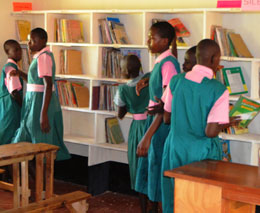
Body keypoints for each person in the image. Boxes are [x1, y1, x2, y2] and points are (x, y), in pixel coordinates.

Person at [160, 39, 240, 213]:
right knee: (201, 200)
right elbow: (210, 132)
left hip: (176, 147)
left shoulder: (176, 81)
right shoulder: (218, 89)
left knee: (176, 196)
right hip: (202, 152)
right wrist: (225, 123)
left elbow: (166, 117)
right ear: (214, 59)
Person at [136, 21, 180, 213]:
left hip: (159, 126)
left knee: (158, 171)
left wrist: (148, 136)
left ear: (165, 41)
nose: (148, 41)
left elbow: (166, 105)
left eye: (152, 38)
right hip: (154, 122)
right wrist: (148, 79)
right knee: (151, 171)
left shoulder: (169, 63)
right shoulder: (162, 61)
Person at [12, 28, 70, 161]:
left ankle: (43, 176)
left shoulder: (44, 57)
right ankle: (35, 175)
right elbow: (35, 82)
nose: (29, 43)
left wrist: (43, 114)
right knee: (31, 136)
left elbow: (48, 85)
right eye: (29, 40)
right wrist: (20, 73)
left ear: (43, 41)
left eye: (32, 41)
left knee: (40, 139)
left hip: (40, 103)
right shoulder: (40, 56)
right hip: (34, 101)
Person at [114, 55, 150, 211]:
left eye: (121, 68)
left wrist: (126, 106)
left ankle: (143, 207)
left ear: (126, 71)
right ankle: (155, 206)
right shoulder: (150, 78)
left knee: (138, 166)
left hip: (138, 129)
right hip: (153, 125)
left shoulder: (123, 89)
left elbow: (121, 113)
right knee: (152, 166)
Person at [0, 40, 23, 145]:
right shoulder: (10, 67)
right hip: (10, 105)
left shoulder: (14, 67)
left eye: (20, 49)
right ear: (8, 52)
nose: (19, 52)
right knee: (8, 132)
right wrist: (23, 106)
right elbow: (14, 91)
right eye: (16, 50)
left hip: (7, 104)